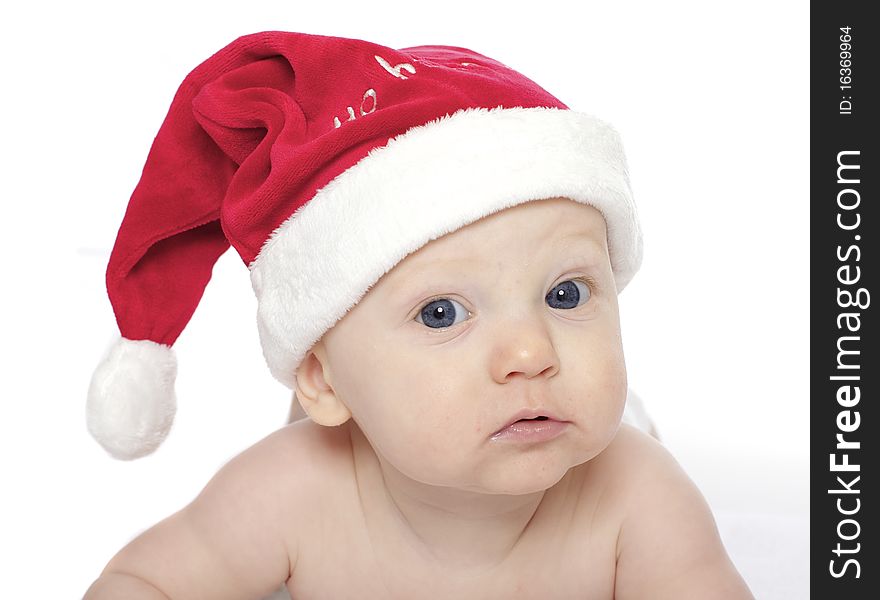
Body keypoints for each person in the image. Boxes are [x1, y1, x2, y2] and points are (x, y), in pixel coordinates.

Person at [83, 31, 753, 599]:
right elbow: (146, 581)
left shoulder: (636, 498)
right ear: (321, 377)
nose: (529, 350)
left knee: (627, 427)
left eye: (566, 294)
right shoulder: (290, 492)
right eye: (441, 313)